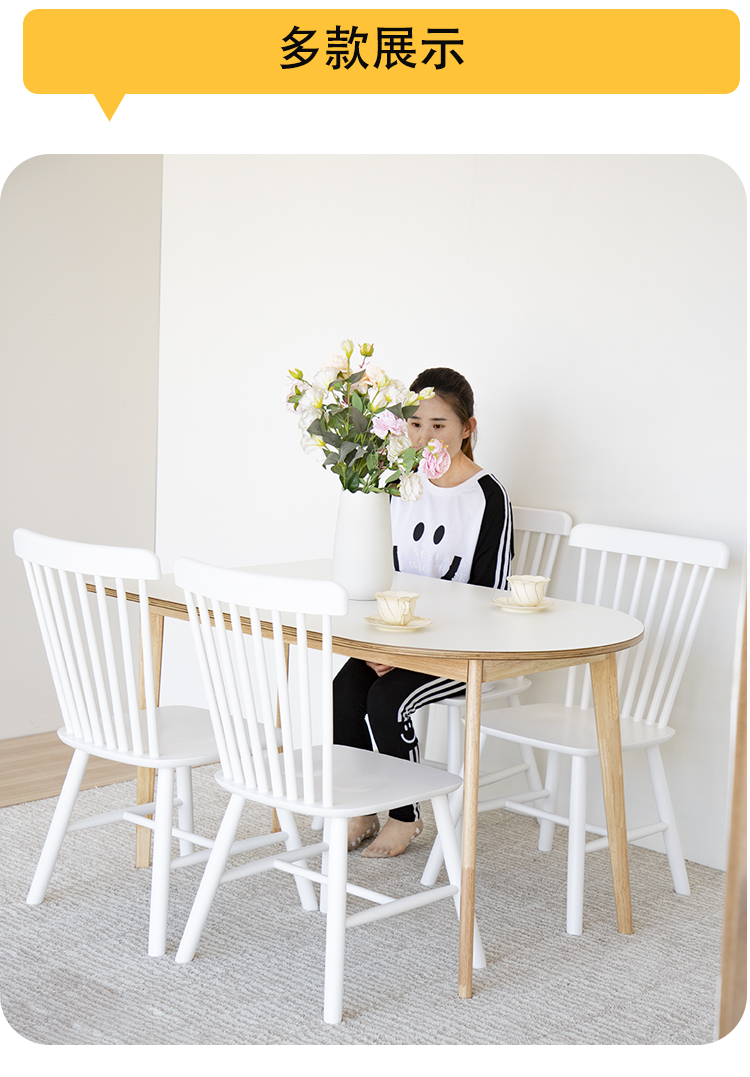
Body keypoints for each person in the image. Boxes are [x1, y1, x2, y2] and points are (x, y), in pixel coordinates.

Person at [333, 367, 514, 857]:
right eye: (415, 424)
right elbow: (377, 573)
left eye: (439, 425)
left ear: (467, 428)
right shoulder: (397, 482)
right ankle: (360, 806)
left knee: (387, 700)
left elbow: (489, 599)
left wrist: (407, 650)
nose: (425, 436)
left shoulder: (488, 497)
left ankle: (404, 815)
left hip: (461, 650)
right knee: (344, 692)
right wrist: (379, 644)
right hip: (392, 637)